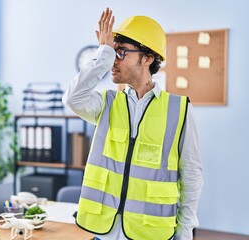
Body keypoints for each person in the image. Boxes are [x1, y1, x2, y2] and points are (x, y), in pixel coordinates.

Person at [62, 8, 203, 240]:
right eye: (112, 52)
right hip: (103, 230)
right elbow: (72, 98)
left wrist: (185, 231)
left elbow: (191, 175)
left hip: (151, 233)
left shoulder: (180, 110)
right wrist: (104, 53)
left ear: (147, 58)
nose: (112, 61)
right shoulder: (106, 102)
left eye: (121, 52)